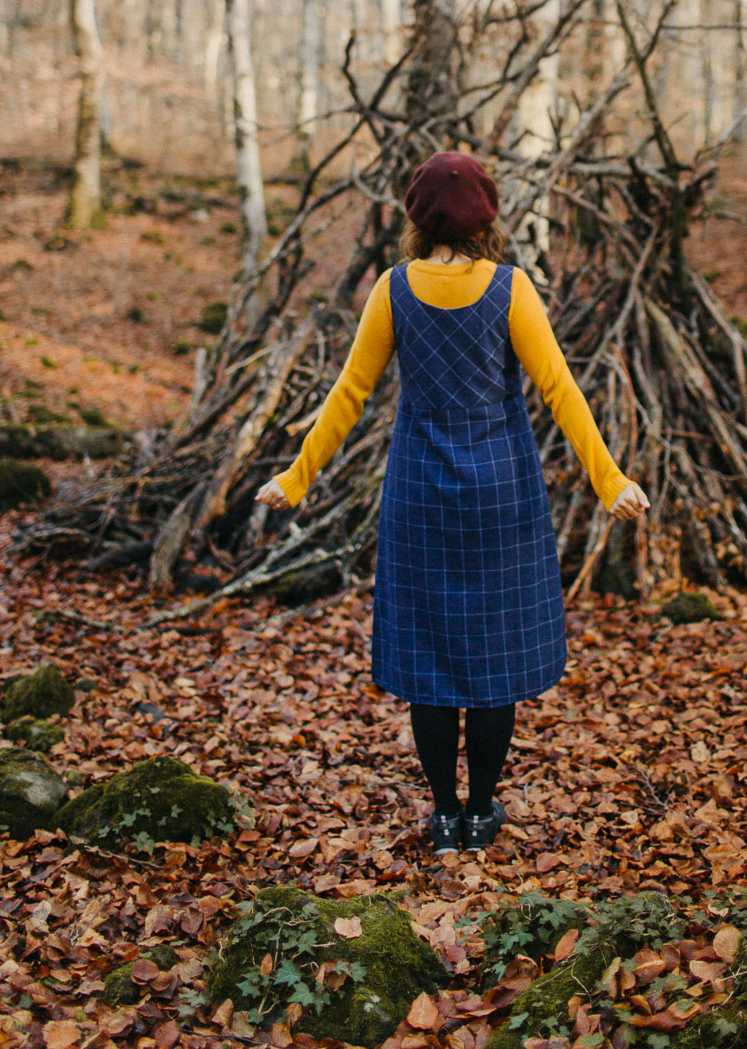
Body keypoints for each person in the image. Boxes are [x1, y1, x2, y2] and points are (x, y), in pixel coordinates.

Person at [257, 151, 648, 854]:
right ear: (485, 218)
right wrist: (609, 479)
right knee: (493, 655)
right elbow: (559, 387)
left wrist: (297, 476)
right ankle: (482, 810)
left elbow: (349, 393)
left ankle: (443, 814)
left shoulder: (393, 289)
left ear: (416, 217)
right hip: (501, 491)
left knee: (430, 658)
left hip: (419, 492)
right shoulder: (511, 288)